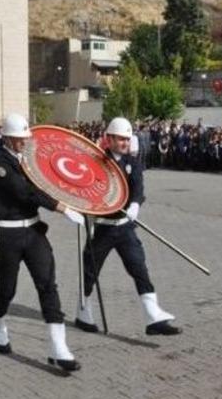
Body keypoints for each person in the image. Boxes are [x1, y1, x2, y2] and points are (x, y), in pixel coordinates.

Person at [0, 113, 86, 371]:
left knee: (47, 284)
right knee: (7, 288)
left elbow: (48, 180)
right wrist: (60, 207)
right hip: (8, 234)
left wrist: (73, 193)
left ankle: (58, 347)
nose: (23, 143)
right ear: (6, 138)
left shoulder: (28, 159)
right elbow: (24, 192)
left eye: (25, 138)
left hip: (33, 232)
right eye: (19, 139)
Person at [76, 117, 182, 336]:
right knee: (89, 271)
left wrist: (135, 204)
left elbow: (138, 189)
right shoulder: (96, 162)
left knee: (139, 268)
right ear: (109, 138)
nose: (124, 143)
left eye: (127, 139)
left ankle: (153, 317)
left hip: (124, 227)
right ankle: (83, 313)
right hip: (103, 227)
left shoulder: (132, 163)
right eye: (120, 139)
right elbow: (84, 188)